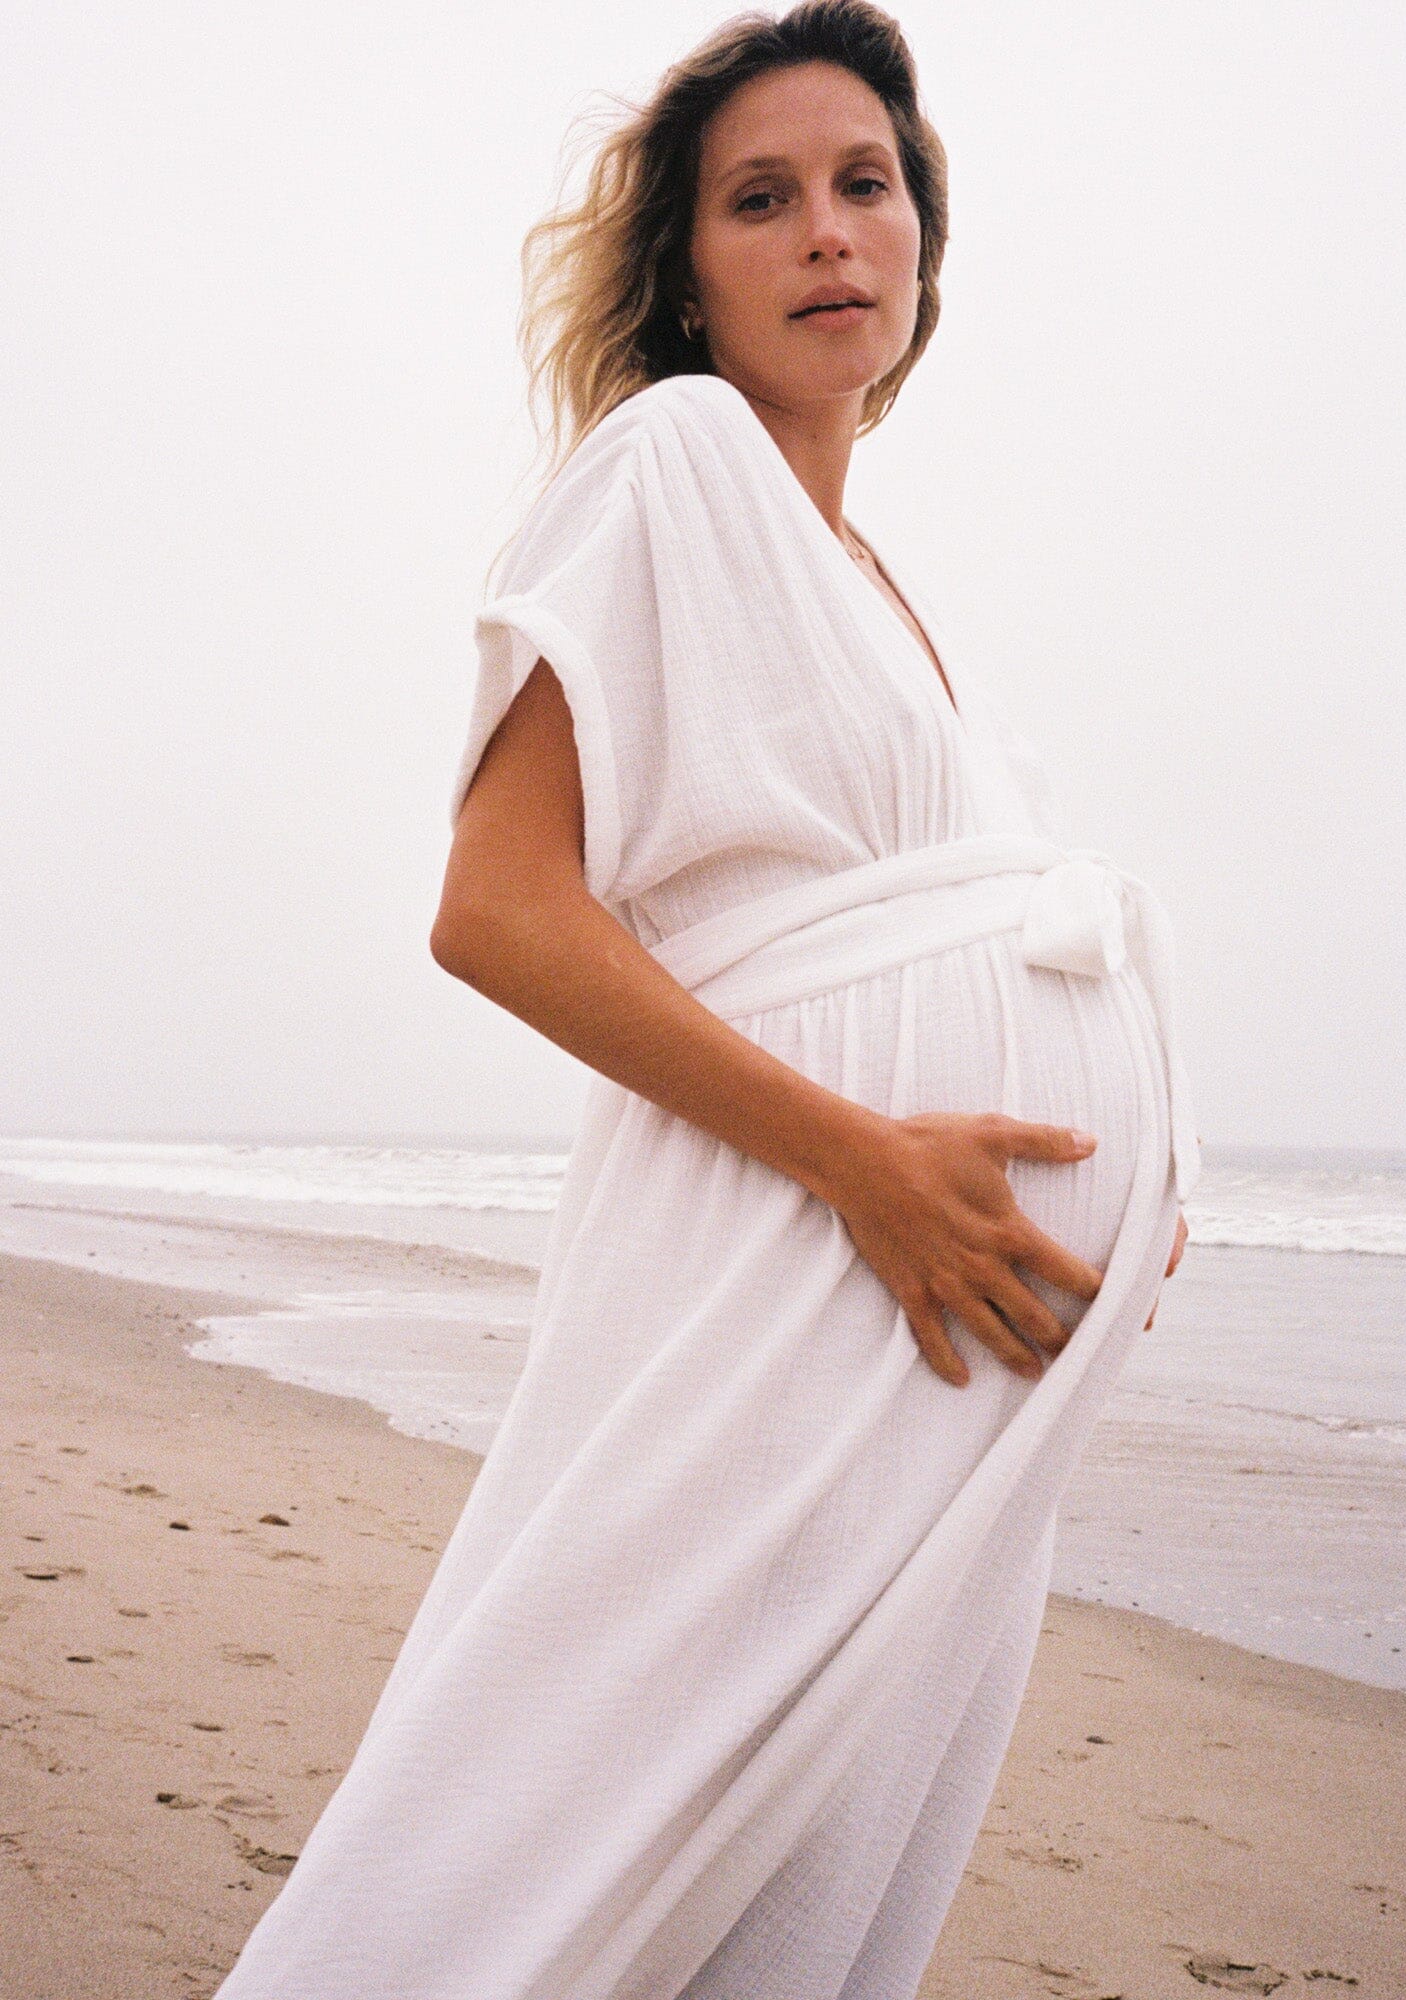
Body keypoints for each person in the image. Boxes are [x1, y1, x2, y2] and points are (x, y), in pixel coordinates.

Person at [212, 4, 1195, 1995]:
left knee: (807, 1867)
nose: (832, 229)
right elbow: (497, 908)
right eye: (765, 199)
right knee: (577, 1804)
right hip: (794, 1252)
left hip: (939, 1344)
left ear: (922, 239)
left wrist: (1126, 1169)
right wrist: (865, 1157)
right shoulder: (671, 464)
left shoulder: (890, 594)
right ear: (687, 271)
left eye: (868, 184)